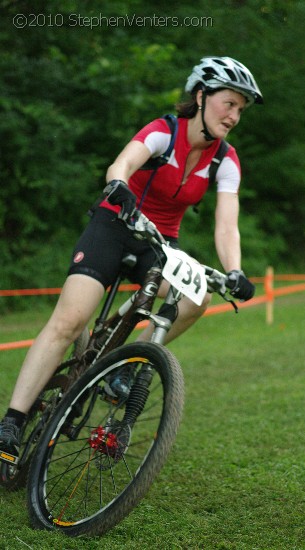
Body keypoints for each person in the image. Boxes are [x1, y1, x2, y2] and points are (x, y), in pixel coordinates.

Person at [0, 56, 263, 463]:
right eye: (229, 103)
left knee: (198, 300)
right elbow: (121, 163)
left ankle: (122, 364)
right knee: (70, 321)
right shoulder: (164, 131)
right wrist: (119, 186)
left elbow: (227, 224)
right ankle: (12, 423)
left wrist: (234, 271)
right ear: (201, 95)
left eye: (240, 110)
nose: (234, 116)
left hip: (159, 243)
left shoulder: (225, 160)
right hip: (115, 222)